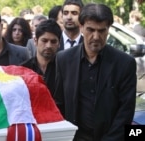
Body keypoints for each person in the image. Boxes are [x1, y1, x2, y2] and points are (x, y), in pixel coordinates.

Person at [54, 3, 137, 141]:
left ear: (108, 29)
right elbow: (59, 104)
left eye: (101, 31)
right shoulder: (64, 60)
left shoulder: (124, 63)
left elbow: (126, 111)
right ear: (81, 27)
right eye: (91, 30)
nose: (96, 36)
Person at [21, 19, 61, 96]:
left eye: (53, 42)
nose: (48, 46)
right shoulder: (24, 69)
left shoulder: (64, 69)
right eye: (44, 41)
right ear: (35, 41)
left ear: (59, 43)